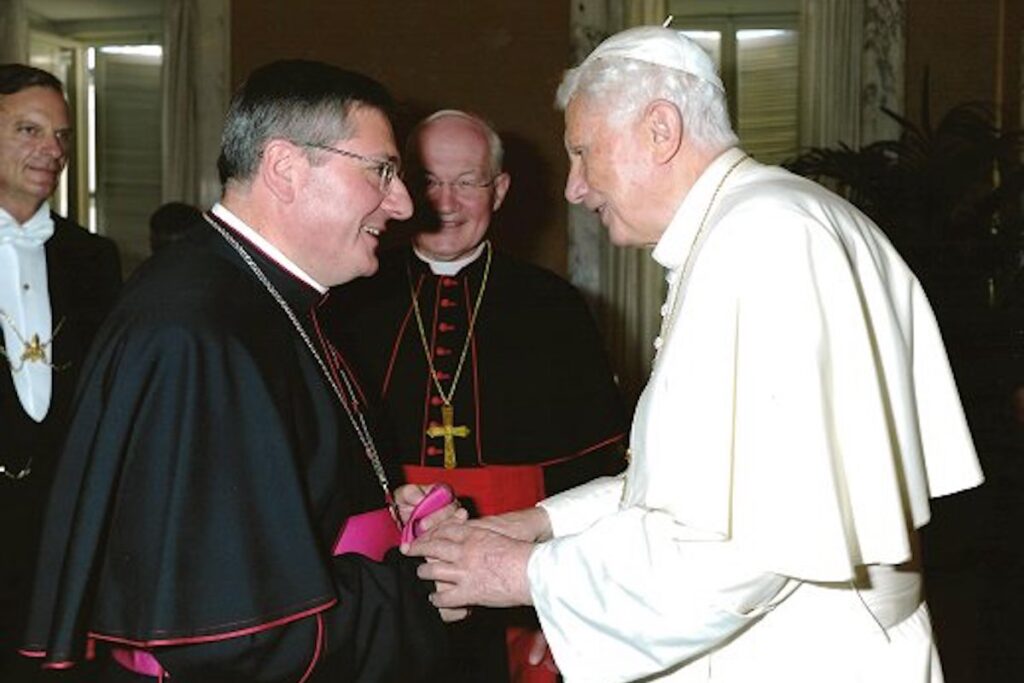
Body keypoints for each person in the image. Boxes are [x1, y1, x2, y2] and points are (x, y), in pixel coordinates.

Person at [408, 26, 986, 683]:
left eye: (583, 152)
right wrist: (540, 522)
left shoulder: (765, 239)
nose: (573, 187)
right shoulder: (766, 218)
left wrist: (522, 572)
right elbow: (707, 481)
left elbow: (737, 549)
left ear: (660, 129)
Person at [21, 59, 460, 682]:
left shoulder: (258, 296)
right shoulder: (199, 331)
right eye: (383, 171)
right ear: (284, 168)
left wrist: (383, 512)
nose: (403, 201)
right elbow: (236, 638)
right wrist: (420, 586)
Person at [323, 109, 628, 682]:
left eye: (467, 182)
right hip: (383, 579)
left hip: (520, 583)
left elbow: (595, 472)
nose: (446, 201)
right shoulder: (349, 298)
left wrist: (566, 609)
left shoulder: (552, 306)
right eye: (429, 181)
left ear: (501, 190)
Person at [0, 63, 121, 681]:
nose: (52, 150)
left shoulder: (92, 258)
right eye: (29, 130)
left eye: (62, 135)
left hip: (58, 538)